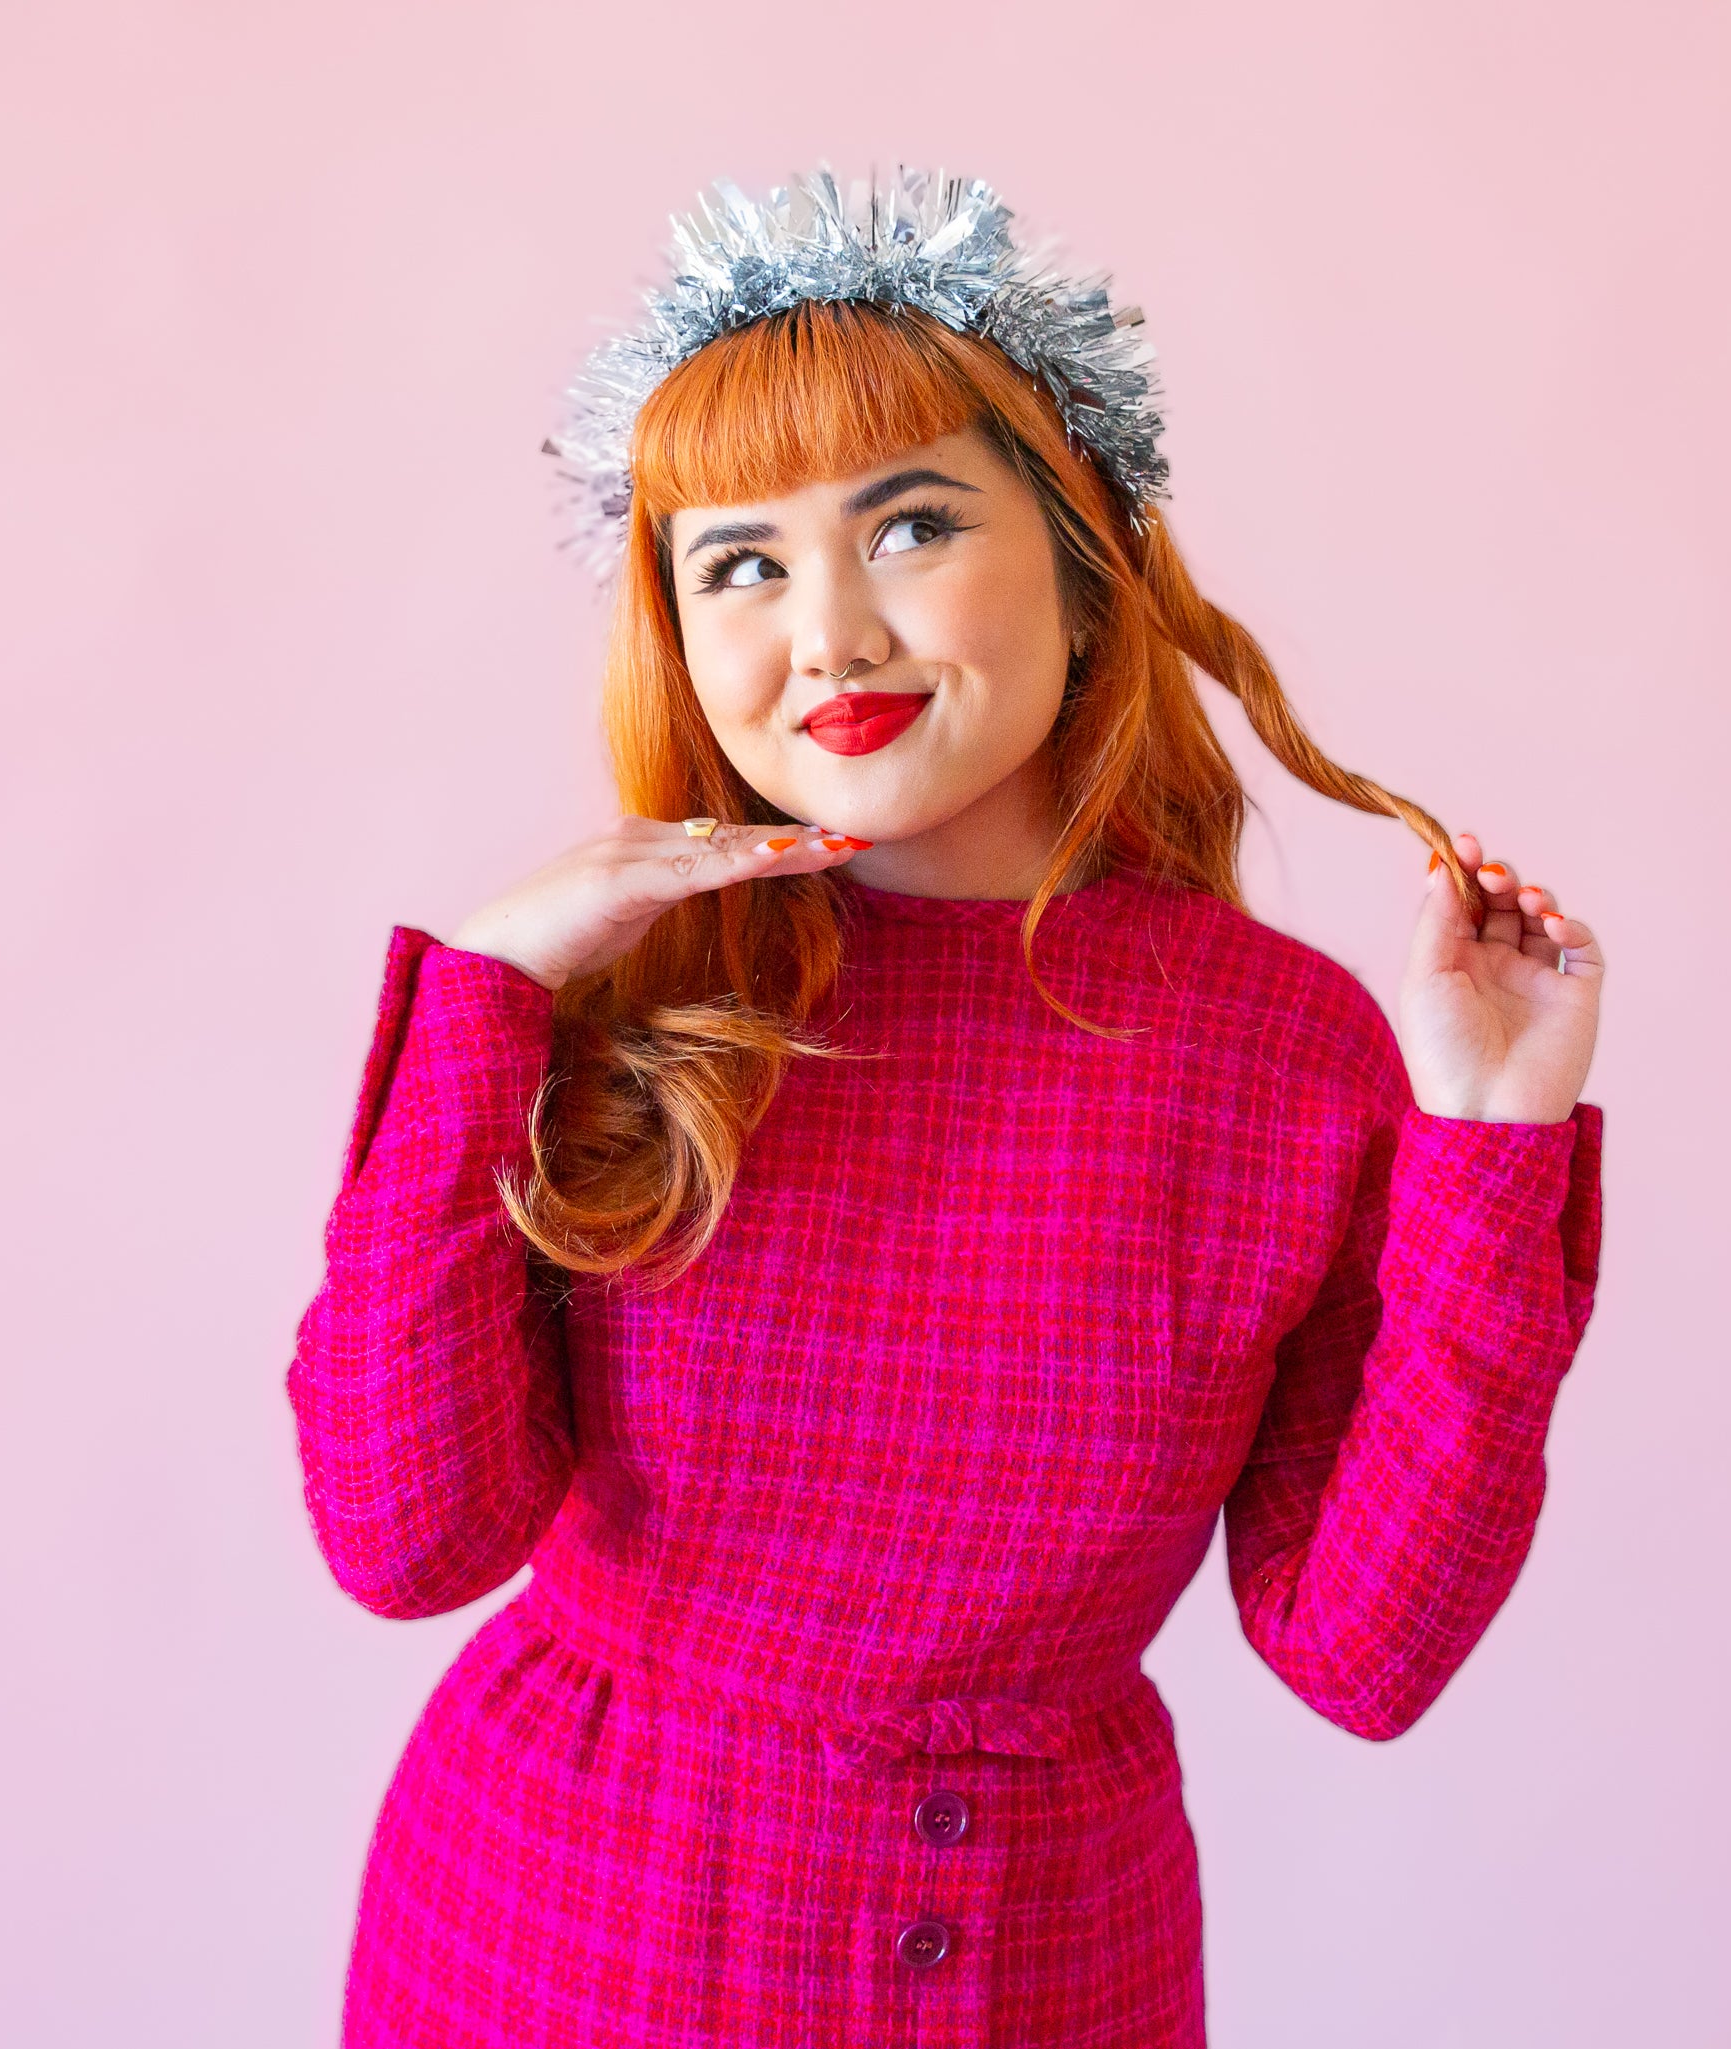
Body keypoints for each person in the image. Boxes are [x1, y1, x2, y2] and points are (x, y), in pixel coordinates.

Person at [287, 168, 1605, 2048]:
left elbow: (1364, 1652)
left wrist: (1493, 1148)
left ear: (1081, 559)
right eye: (739, 561)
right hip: (555, 1938)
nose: (826, 633)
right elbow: (404, 1541)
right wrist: (485, 1002)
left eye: (905, 525)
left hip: (1038, 1959)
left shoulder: (1283, 1052)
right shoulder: (625, 997)